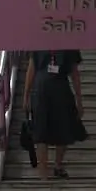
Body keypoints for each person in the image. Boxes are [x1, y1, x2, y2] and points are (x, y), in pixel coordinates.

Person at [23, 50, 85, 179]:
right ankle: (43, 171)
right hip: (41, 91)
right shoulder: (38, 44)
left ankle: (58, 165)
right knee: (41, 130)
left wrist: (79, 100)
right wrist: (26, 95)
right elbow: (31, 68)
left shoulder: (70, 46)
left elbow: (74, 73)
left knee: (63, 126)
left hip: (60, 88)